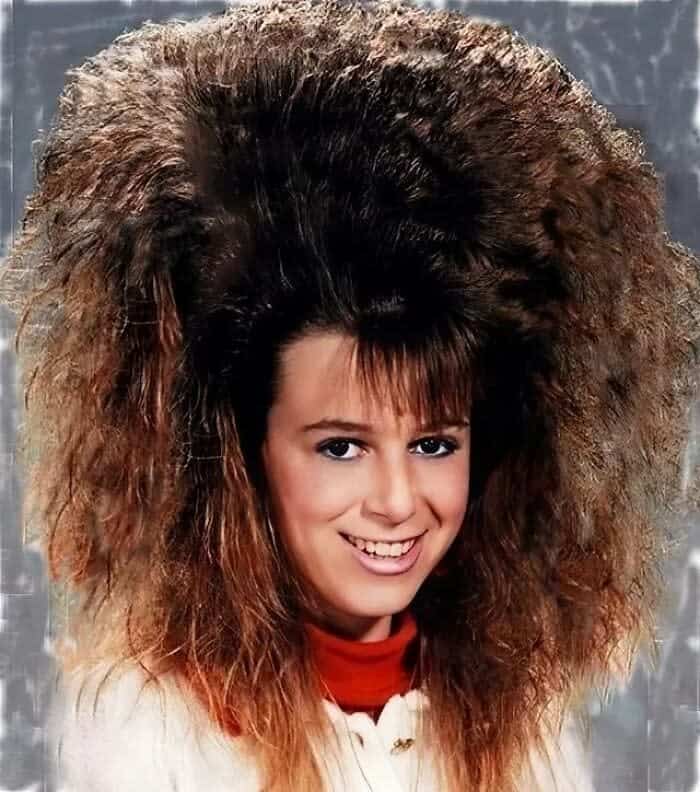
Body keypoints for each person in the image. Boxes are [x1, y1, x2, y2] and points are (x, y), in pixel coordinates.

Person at [2, 0, 699, 789]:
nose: (399, 501)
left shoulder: (518, 717)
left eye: (434, 443)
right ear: (243, 454)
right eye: (342, 446)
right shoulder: (147, 723)